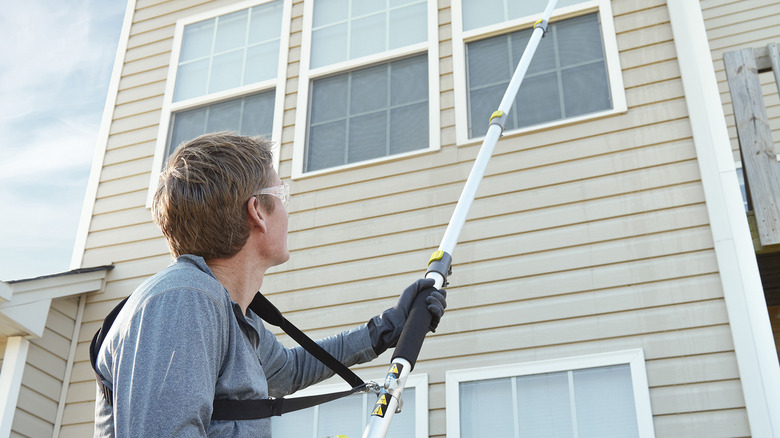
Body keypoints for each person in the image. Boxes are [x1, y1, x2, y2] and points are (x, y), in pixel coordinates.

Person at [93, 132, 446, 437]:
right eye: (282, 196)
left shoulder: (226, 310)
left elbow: (285, 372)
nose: (288, 213)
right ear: (257, 211)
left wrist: (384, 330)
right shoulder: (183, 301)